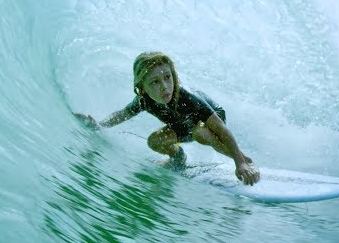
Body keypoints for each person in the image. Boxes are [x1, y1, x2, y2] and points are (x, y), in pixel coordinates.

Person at [73, 51, 261, 186]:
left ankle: (246, 160)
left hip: (211, 120)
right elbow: (122, 114)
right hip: (185, 127)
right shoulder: (144, 101)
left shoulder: (186, 97)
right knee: (154, 141)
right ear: (142, 87)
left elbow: (221, 128)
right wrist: (99, 124)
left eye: (167, 77)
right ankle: (178, 157)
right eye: (155, 81)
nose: (164, 86)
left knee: (200, 133)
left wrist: (240, 162)